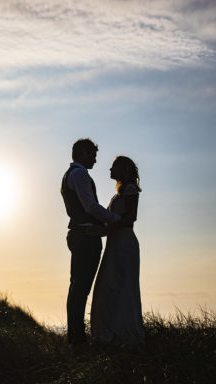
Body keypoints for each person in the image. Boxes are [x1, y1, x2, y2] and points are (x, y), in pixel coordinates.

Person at [61, 139, 122, 347]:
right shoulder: (79, 174)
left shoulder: (71, 174)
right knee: (80, 289)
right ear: (83, 153)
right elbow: (90, 206)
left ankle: (75, 338)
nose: (95, 160)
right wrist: (115, 219)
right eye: (93, 155)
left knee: (77, 287)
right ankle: (77, 340)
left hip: (80, 233)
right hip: (85, 235)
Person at [90, 156, 144, 347]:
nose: (109, 170)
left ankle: (124, 333)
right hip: (114, 243)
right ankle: (109, 331)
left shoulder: (130, 190)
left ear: (122, 169)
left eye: (113, 167)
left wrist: (106, 230)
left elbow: (130, 218)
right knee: (109, 284)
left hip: (124, 244)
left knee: (121, 284)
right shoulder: (117, 195)